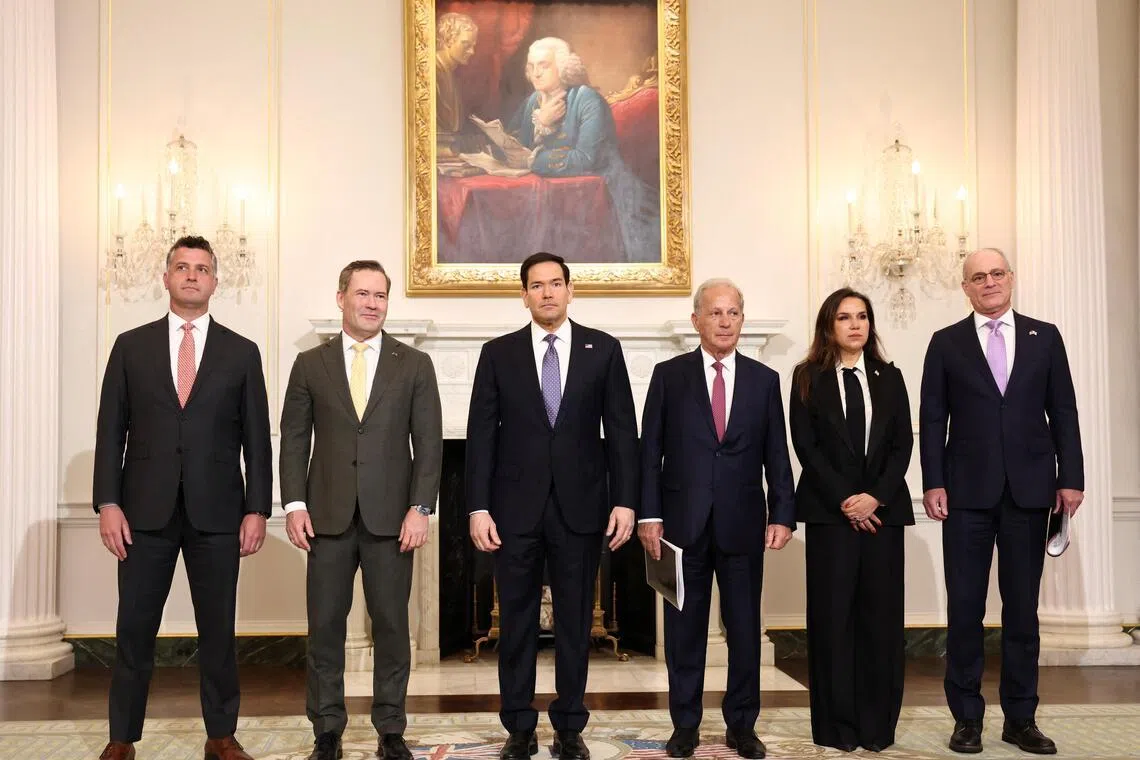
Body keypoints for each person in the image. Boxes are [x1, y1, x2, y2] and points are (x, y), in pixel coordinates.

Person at [93, 236, 272, 760]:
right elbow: (111, 431)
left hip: (218, 513)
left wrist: (257, 509)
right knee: (134, 630)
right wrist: (108, 502)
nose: (192, 276)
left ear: (215, 281)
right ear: (166, 277)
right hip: (141, 513)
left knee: (218, 631)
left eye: (202, 269)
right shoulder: (130, 346)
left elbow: (257, 439)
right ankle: (122, 738)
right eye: (182, 267)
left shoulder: (242, 352)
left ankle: (221, 735)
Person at [465, 252, 639, 760]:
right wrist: (477, 507)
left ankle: (569, 726)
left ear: (570, 290)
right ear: (524, 295)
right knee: (516, 622)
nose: (547, 292)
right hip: (513, 511)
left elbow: (622, 433)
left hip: (581, 508)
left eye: (556, 283)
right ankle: (519, 727)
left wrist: (626, 501)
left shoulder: (603, 349)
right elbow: (480, 437)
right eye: (537, 285)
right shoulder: (497, 353)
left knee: (575, 622)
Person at [920, 247, 1084, 755]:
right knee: (965, 609)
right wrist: (933, 482)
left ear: (1010, 278)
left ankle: (1021, 719)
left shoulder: (1045, 336)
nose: (988, 282)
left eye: (996, 273)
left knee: (1022, 612)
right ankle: (967, 719)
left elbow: (1064, 410)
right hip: (965, 494)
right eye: (978, 277)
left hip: (1030, 492)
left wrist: (1071, 478)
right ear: (965, 287)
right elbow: (932, 418)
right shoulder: (945, 342)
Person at [279, 260, 443, 760]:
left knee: (392, 627)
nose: (372, 304)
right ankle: (327, 730)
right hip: (325, 519)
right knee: (325, 629)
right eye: (363, 294)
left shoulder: (414, 364)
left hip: (393, 521)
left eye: (380, 295)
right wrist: (294, 504)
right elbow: (293, 440)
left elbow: (429, 444)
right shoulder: (311, 364)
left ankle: (390, 729)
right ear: (341, 298)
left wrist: (420, 508)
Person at [638, 278, 795, 760]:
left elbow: (777, 454)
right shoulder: (669, 376)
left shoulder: (764, 380)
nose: (725, 322)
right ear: (696, 321)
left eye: (733, 313)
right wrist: (649, 514)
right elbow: (649, 453)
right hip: (680, 526)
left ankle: (742, 726)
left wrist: (783, 513)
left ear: (742, 319)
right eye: (715, 313)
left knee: (745, 631)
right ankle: (685, 725)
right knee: (684, 634)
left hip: (743, 524)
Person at [789, 288, 913, 753]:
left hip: (883, 516)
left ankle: (877, 728)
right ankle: (836, 728)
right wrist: (847, 499)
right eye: (844, 317)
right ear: (829, 326)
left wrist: (874, 498)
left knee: (880, 624)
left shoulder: (890, 376)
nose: (855, 324)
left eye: (862, 316)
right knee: (832, 622)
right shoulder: (807, 377)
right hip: (830, 516)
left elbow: (902, 444)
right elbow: (806, 445)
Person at [507, 37, 661, 263]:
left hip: (608, 194)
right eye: (531, 66)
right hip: (557, 196)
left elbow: (585, 159)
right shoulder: (533, 101)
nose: (536, 73)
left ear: (563, 67)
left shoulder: (587, 99)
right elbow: (515, 142)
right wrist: (540, 123)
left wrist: (532, 160)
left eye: (544, 65)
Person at [436, 12, 482, 157]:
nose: (472, 51)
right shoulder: (431, 72)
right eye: (466, 45)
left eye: (473, 46)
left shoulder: (449, 74)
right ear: (448, 40)